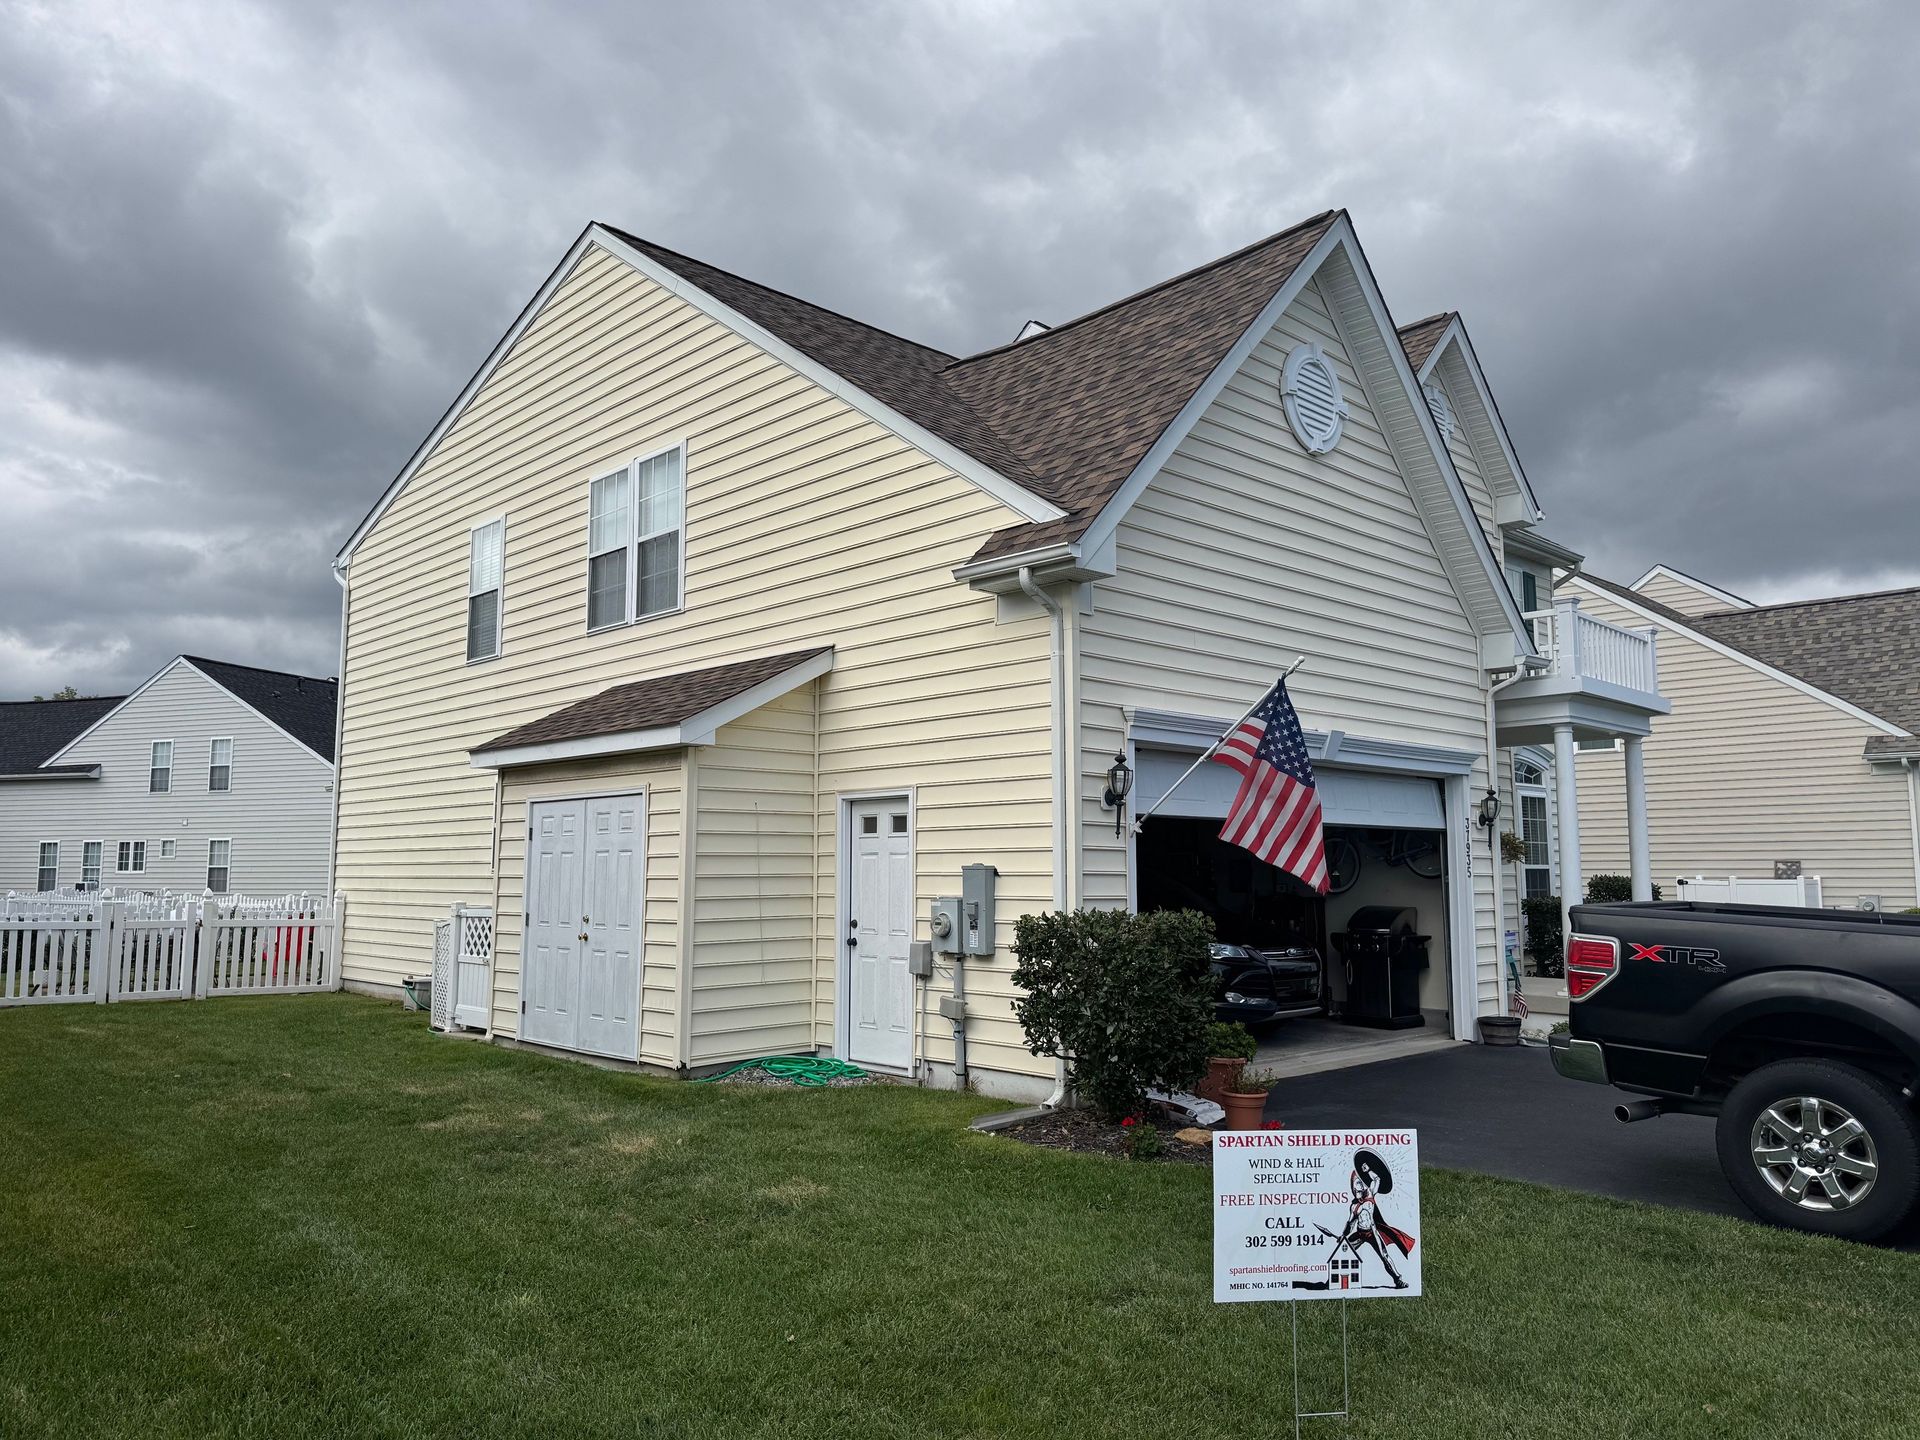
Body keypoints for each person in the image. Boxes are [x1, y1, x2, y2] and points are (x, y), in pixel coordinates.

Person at [1340, 1148, 1414, 1289]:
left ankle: (1398, 1280)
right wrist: (1343, 1235)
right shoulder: (1354, 1206)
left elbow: (1377, 1179)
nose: (1359, 1187)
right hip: (1360, 1234)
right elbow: (1350, 1223)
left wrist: (1367, 1171)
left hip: (1372, 1233)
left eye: (1360, 1184)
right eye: (1356, 1184)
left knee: (1384, 1256)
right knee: (1343, 1252)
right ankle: (1334, 1279)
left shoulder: (1370, 1197)